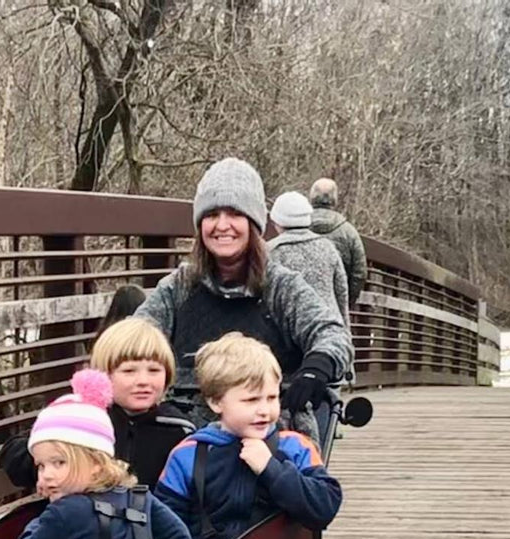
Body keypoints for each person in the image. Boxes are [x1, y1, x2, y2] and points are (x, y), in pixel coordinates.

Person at [135, 158, 351, 434]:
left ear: (254, 223)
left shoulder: (282, 287)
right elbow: (135, 338)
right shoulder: (179, 287)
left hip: (271, 433)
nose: (222, 225)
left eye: (235, 215)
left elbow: (332, 332)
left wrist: (316, 367)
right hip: (188, 437)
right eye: (212, 215)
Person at [155, 333, 341, 539]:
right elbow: (165, 525)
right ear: (216, 402)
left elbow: (324, 508)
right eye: (251, 400)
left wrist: (272, 470)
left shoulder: (295, 447)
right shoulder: (188, 454)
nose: (264, 410)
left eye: (271, 398)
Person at [13, 369, 195, 539]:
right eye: (41, 465)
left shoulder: (62, 514)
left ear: (96, 462)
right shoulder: (138, 497)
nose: (47, 474)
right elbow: (178, 537)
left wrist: (36, 523)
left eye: (59, 463)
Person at [1, 318, 193, 492]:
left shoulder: (178, 430)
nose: (143, 380)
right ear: (104, 374)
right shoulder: (83, 418)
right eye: (129, 371)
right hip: (81, 519)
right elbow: (15, 459)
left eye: (154, 370)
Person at [269, 191, 350, 328]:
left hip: (287, 332)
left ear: (277, 221)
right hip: (327, 329)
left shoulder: (270, 252)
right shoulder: (328, 248)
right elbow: (341, 293)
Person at [309, 177, 368, 308]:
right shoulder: (349, 232)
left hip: (300, 305)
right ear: (334, 200)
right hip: (335, 305)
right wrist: (346, 302)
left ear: (312, 197)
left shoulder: (298, 225)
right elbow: (359, 273)